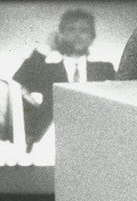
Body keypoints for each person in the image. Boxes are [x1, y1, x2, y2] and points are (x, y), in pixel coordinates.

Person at [13, 8, 116, 146]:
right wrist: (46, 47)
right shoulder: (47, 72)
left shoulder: (105, 70)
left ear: (92, 37)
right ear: (60, 34)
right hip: (54, 142)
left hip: (97, 141)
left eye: (84, 30)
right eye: (71, 30)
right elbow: (17, 84)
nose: (77, 35)